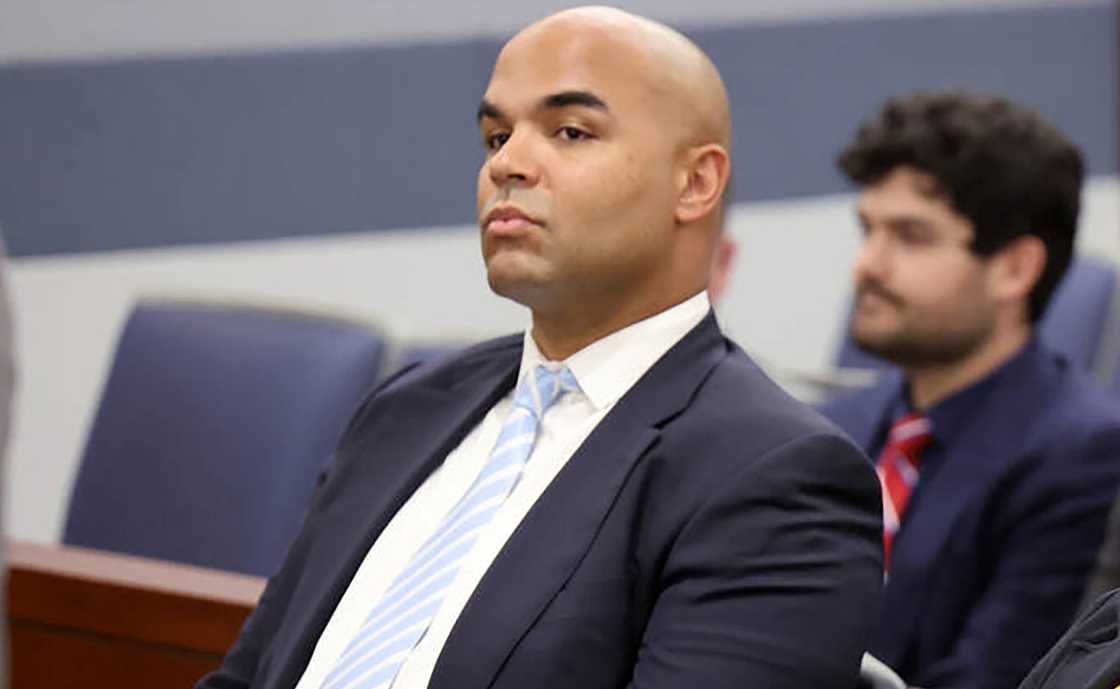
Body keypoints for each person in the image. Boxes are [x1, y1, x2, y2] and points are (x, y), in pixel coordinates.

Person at [197, 8, 882, 689]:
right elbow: (249, 674)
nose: (509, 164)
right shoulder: (406, 410)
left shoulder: (774, 476)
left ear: (695, 183)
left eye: (571, 131)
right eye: (496, 136)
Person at [819, 91, 1120, 689]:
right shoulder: (833, 426)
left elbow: (1002, 676)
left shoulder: (1081, 453)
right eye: (868, 230)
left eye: (911, 236)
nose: (867, 265)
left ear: (1014, 269)